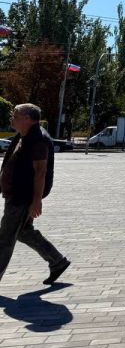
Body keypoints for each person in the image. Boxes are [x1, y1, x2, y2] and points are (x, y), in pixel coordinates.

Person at [0, 104, 70, 285]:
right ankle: (57, 261)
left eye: (15, 115)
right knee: (22, 232)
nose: (12, 118)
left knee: (5, 239)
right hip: (17, 193)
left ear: (28, 119)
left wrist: (36, 201)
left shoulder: (37, 139)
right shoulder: (23, 136)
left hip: (22, 196)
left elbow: (41, 172)